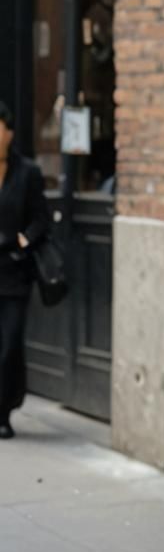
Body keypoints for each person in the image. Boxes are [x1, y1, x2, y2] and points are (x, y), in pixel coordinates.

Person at [0, 101, 49, 440]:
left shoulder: (27, 172)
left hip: (14, 273)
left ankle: (4, 409)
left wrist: (23, 240)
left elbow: (41, 219)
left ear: (9, 132)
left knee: (10, 346)